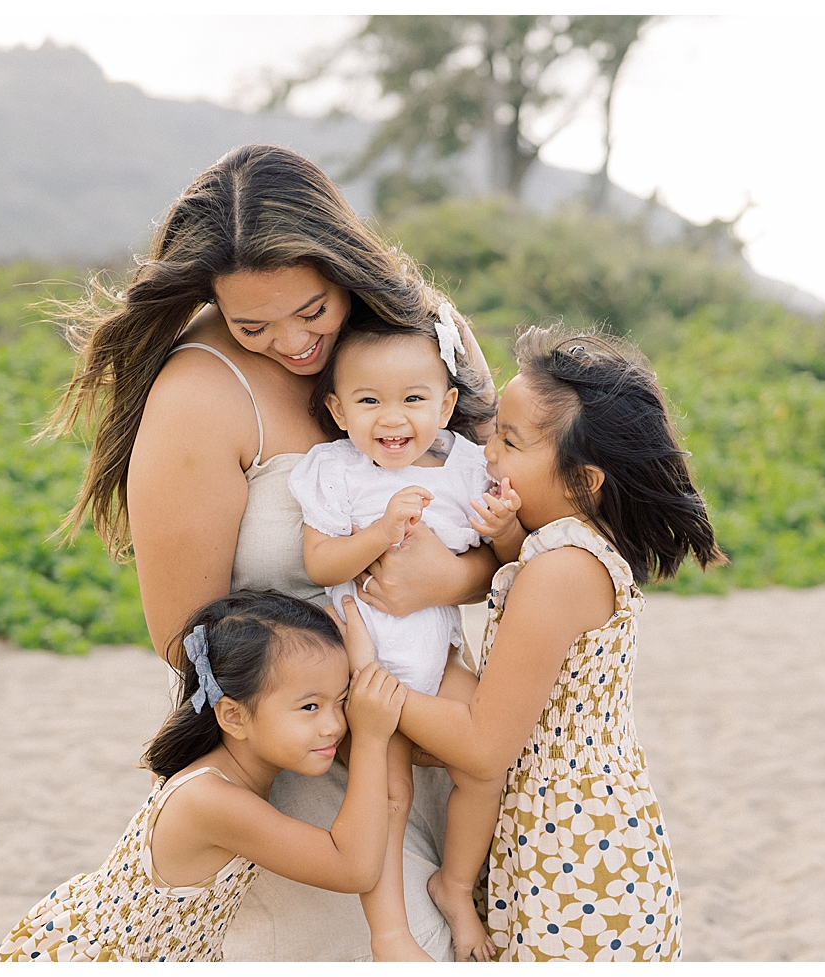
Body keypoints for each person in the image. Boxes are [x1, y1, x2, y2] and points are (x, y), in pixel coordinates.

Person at [41, 144, 499, 960]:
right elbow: (183, 635)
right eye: (253, 324)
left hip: (439, 733)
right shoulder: (200, 395)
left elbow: (505, 517)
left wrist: (454, 574)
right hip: (310, 763)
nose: (291, 343)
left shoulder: (422, 336)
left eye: (313, 311)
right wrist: (343, 688)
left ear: (346, 268)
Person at [393, 326, 726, 961]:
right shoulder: (564, 551)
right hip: (577, 841)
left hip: (576, 867)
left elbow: (486, 749)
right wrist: (508, 539)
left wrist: (374, 692)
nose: (487, 451)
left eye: (509, 441)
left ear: (582, 479)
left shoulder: (560, 572)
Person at [0, 591, 404, 962]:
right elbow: (354, 868)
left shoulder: (218, 773)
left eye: (343, 701)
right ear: (233, 716)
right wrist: (371, 736)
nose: (334, 724)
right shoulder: (212, 799)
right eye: (310, 707)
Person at [287, 300, 509, 961]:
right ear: (338, 410)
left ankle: (454, 882)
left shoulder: (465, 467)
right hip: (361, 666)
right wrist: (381, 532)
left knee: (486, 759)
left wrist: (502, 527)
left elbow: (496, 562)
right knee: (387, 793)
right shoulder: (336, 470)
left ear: (444, 407)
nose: (392, 418)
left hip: (435, 658)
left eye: (413, 398)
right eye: (369, 400)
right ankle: (392, 934)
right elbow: (320, 561)